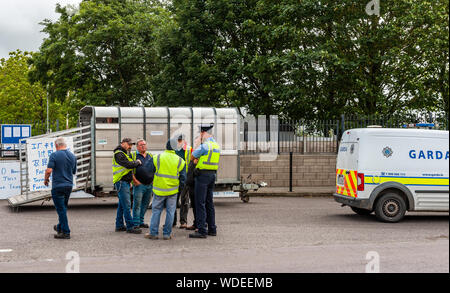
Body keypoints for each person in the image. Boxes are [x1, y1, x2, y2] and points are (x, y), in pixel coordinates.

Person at [145, 139, 186, 240]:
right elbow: (183, 178)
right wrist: (179, 189)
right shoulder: (180, 160)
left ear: (166, 146)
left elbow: (147, 170)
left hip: (159, 190)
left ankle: (153, 233)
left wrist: (152, 179)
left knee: (156, 211)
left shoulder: (157, 157)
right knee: (170, 212)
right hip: (172, 191)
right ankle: (167, 234)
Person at [189, 124, 221, 239]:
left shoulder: (205, 146)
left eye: (201, 133)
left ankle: (202, 230)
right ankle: (212, 229)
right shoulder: (216, 145)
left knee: (200, 202)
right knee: (209, 202)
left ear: (203, 133)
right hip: (212, 175)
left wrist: (196, 160)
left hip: (202, 176)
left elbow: (192, 156)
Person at [44, 137, 77, 240]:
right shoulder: (72, 156)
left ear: (56, 145)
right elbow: (73, 171)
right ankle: (59, 227)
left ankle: (66, 232)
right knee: (63, 208)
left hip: (58, 186)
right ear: (65, 144)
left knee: (61, 209)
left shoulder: (54, 155)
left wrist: (46, 179)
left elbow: (49, 170)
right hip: (68, 186)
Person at [113, 138, 143, 234]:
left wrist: (129, 180)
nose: (130, 146)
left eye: (131, 145)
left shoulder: (124, 153)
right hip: (121, 182)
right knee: (126, 205)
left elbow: (126, 169)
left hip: (123, 181)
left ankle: (119, 225)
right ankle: (130, 227)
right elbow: (128, 165)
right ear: (123, 143)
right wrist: (137, 162)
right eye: (129, 144)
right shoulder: (119, 153)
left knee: (122, 205)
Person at [131, 139, 154, 229]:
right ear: (137, 147)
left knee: (145, 204)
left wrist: (153, 180)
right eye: (141, 145)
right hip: (139, 185)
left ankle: (141, 221)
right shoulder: (133, 156)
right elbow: (129, 169)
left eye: (144, 144)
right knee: (137, 204)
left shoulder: (150, 156)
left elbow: (154, 168)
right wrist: (134, 181)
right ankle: (136, 223)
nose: (143, 146)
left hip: (149, 185)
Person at [173, 134, 193, 228]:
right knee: (172, 202)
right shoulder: (173, 150)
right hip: (174, 180)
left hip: (185, 180)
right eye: (178, 140)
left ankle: (183, 222)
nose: (180, 142)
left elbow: (193, 163)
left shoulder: (189, 150)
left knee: (185, 201)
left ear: (184, 140)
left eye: (181, 140)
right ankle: (172, 222)